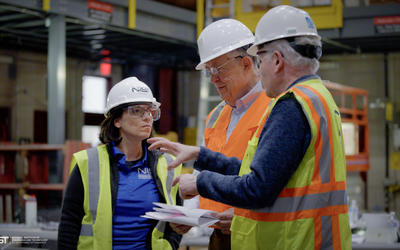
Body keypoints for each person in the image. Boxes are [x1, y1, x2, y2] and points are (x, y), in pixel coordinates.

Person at [148, 5, 351, 250]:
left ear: (276, 60)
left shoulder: (290, 106)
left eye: (261, 58)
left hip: (297, 240)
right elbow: (262, 173)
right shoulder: (317, 98)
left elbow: (257, 187)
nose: (259, 66)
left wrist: (201, 184)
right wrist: (202, 157)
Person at [58, 77, 183, 250]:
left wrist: (170, 246)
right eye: (137, 111)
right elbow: (69, 223)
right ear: (117, 120)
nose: (147, 118)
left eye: (150, 111)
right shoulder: (88, 163)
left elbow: (177, 218)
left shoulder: (167, 164)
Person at [192, 18, 271, 249]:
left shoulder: (276, 109)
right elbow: (211, 174)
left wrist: (242, 216)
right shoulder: (215, 116)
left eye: (218, 68)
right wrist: (190, 214)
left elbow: (277, 185)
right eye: (209, 71)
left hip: (258, 237)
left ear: (246, 63)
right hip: (218, 236)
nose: (213, 78)